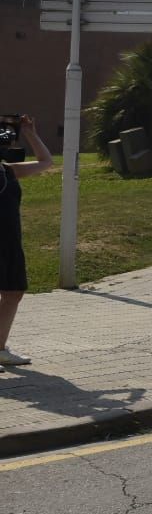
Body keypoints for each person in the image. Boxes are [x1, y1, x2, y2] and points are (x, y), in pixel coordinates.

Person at [0, 115, 53, 368]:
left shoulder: (8, 171)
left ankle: (0, 348)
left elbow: (46, 162)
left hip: (10, 242)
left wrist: (30, 132)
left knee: (13, 292)